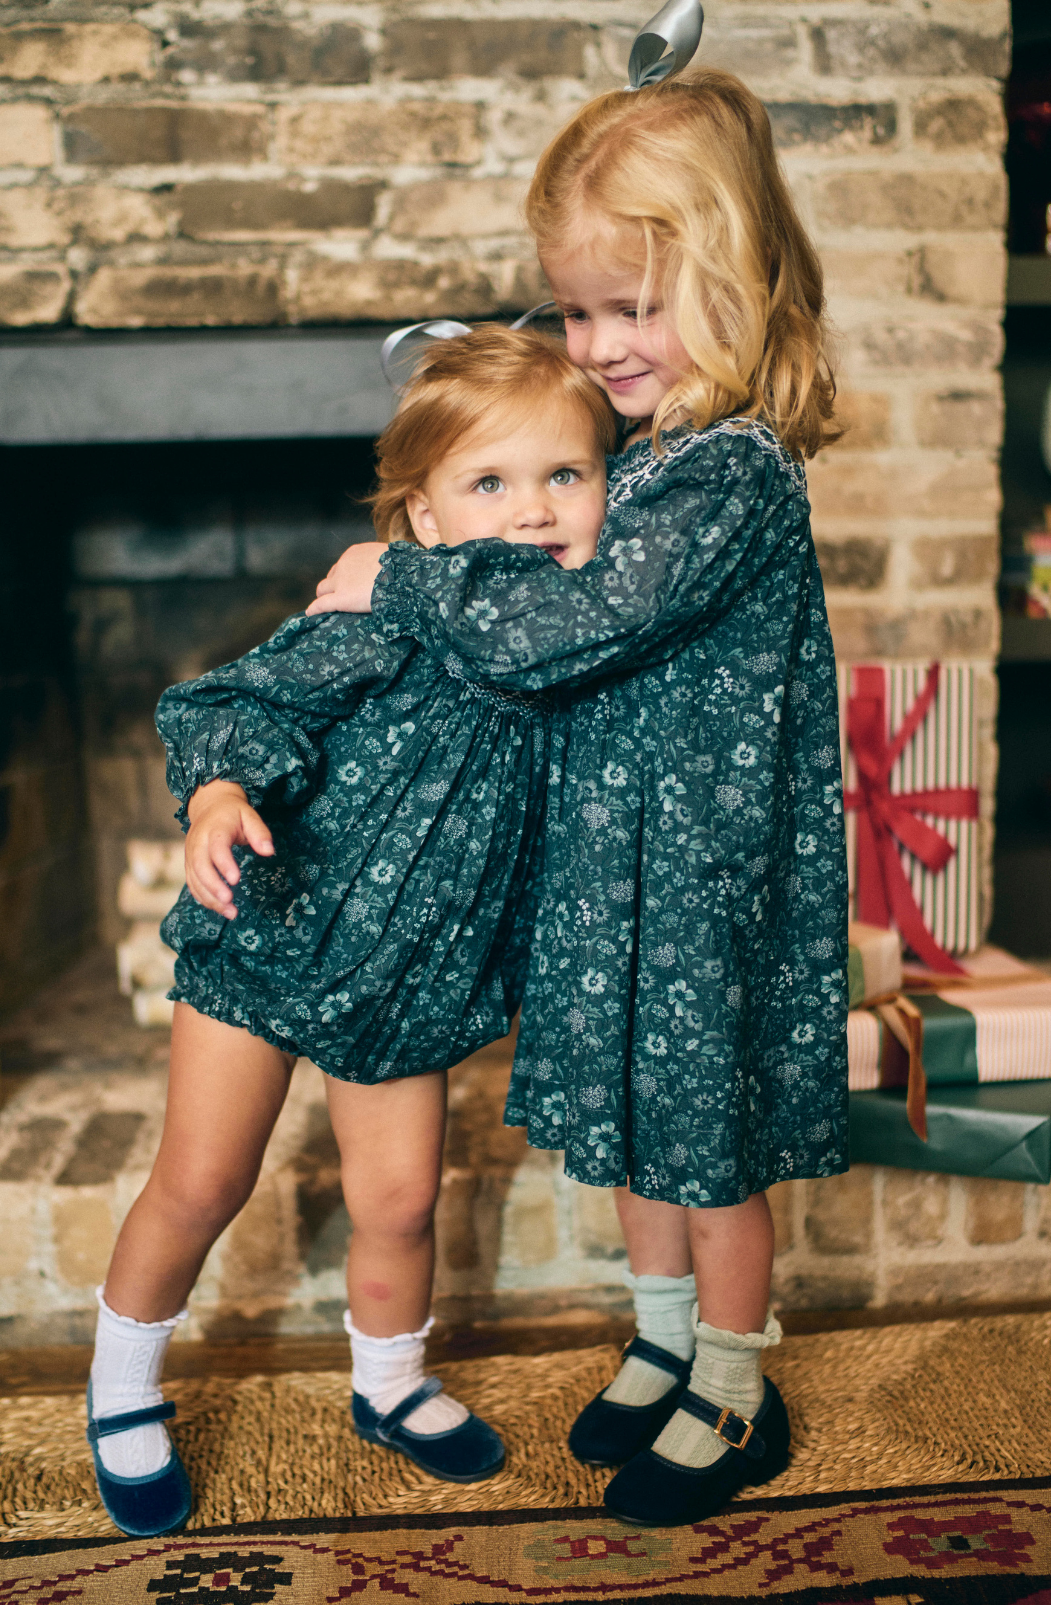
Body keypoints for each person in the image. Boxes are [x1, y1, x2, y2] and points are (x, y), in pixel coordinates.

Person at [308, 70, 850, 1527]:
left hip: (697, 873)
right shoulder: (650, 450)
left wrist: (400, 572)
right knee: (633, 1122)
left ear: (731, 284)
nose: (598, 346)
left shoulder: (730, 474)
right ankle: (661, 1338)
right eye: (577, 311)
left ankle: (735, 1380)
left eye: (633, 308)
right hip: (612, 863)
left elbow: (568, 626)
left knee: (706, 1139)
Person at [84, 325, 614, 1539]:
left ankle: (389, 1384)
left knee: (399, 1204)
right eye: (490, 484)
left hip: (412, 984)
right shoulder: (381, 615)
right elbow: (242, 699)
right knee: (201, 1178)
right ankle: (121, 1391)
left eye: (564, 477)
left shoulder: (577, 654)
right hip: (268, 940)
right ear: (420, 522)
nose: (531, 511)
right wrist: (220, 791)